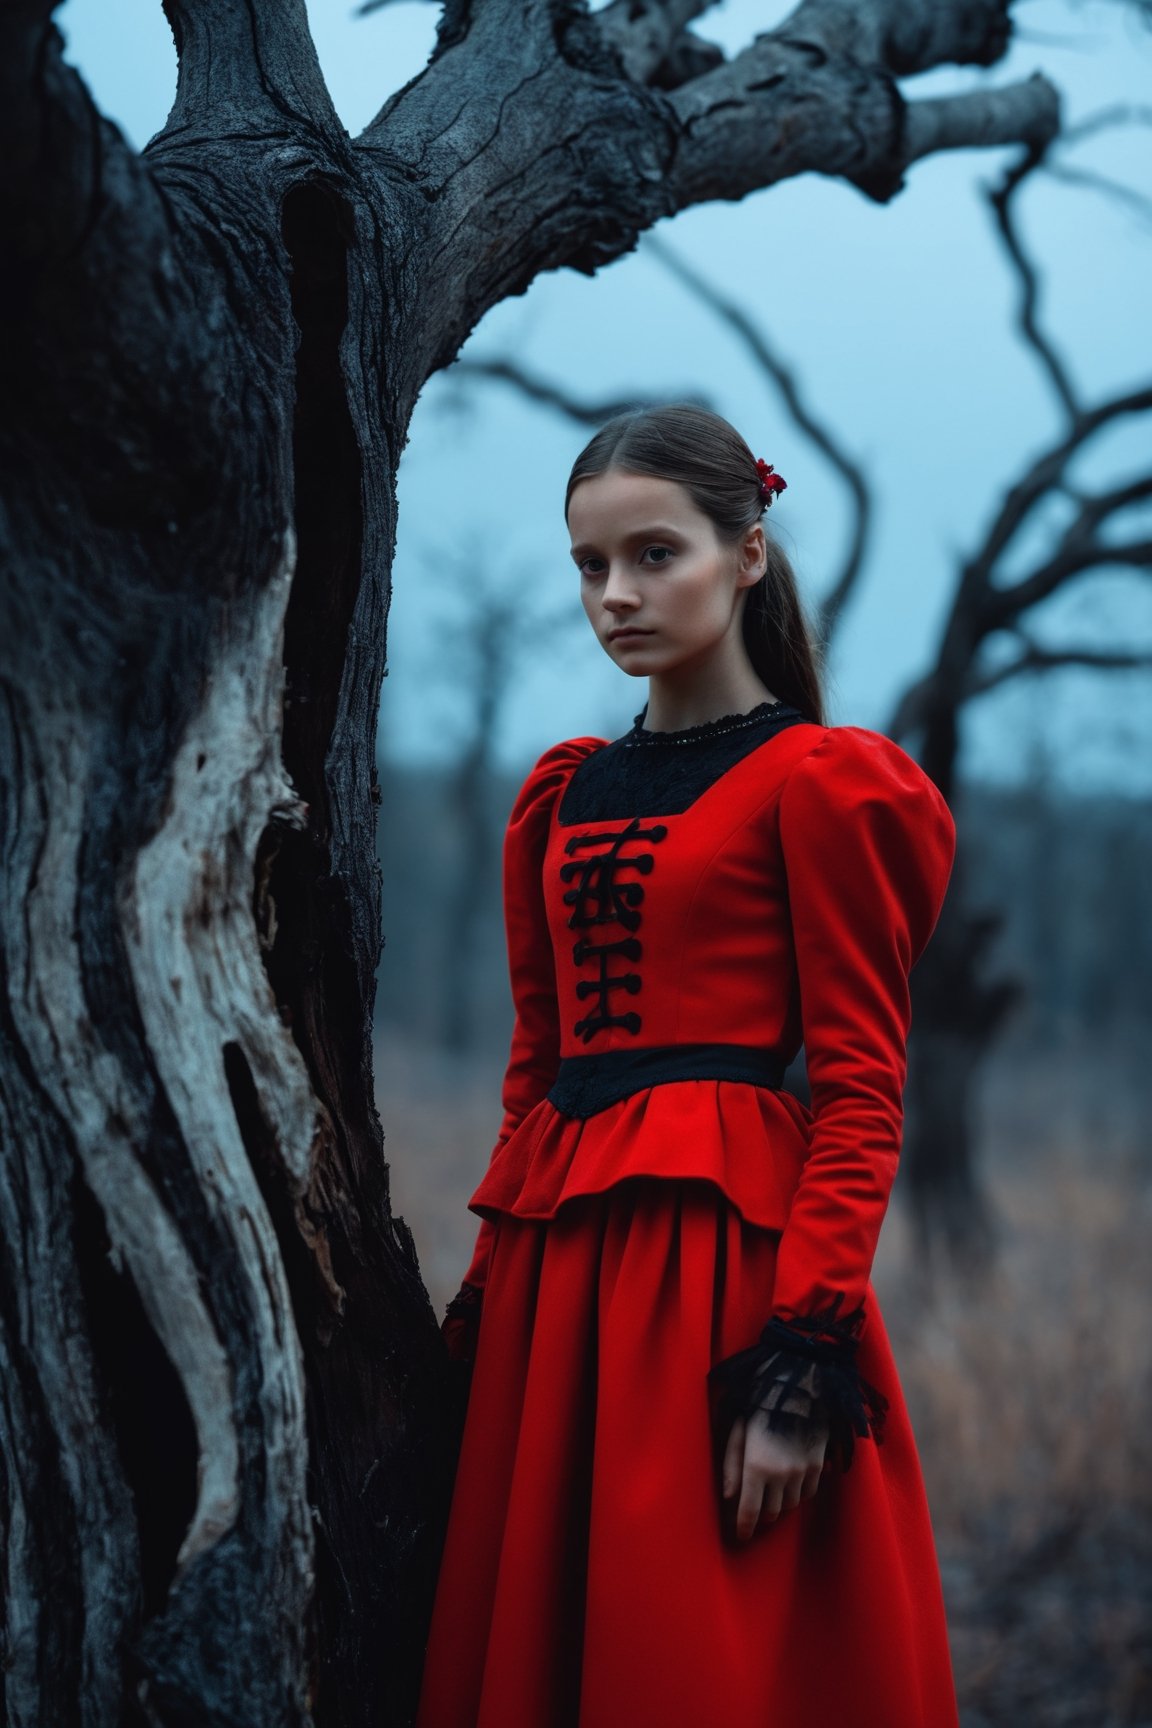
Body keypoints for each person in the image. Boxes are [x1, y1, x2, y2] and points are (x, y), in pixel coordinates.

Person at [414, 404, 960, 1728]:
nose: (616, 595)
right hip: (560, 1285)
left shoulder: (826, 784)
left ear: (747, 556)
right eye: (591, 565)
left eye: (655, 555)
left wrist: (799, 1364)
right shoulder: (561, 791)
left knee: (693, 1650)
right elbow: (535, 1071)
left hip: (724, 1281)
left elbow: (860, 1094)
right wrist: (488, 1301)